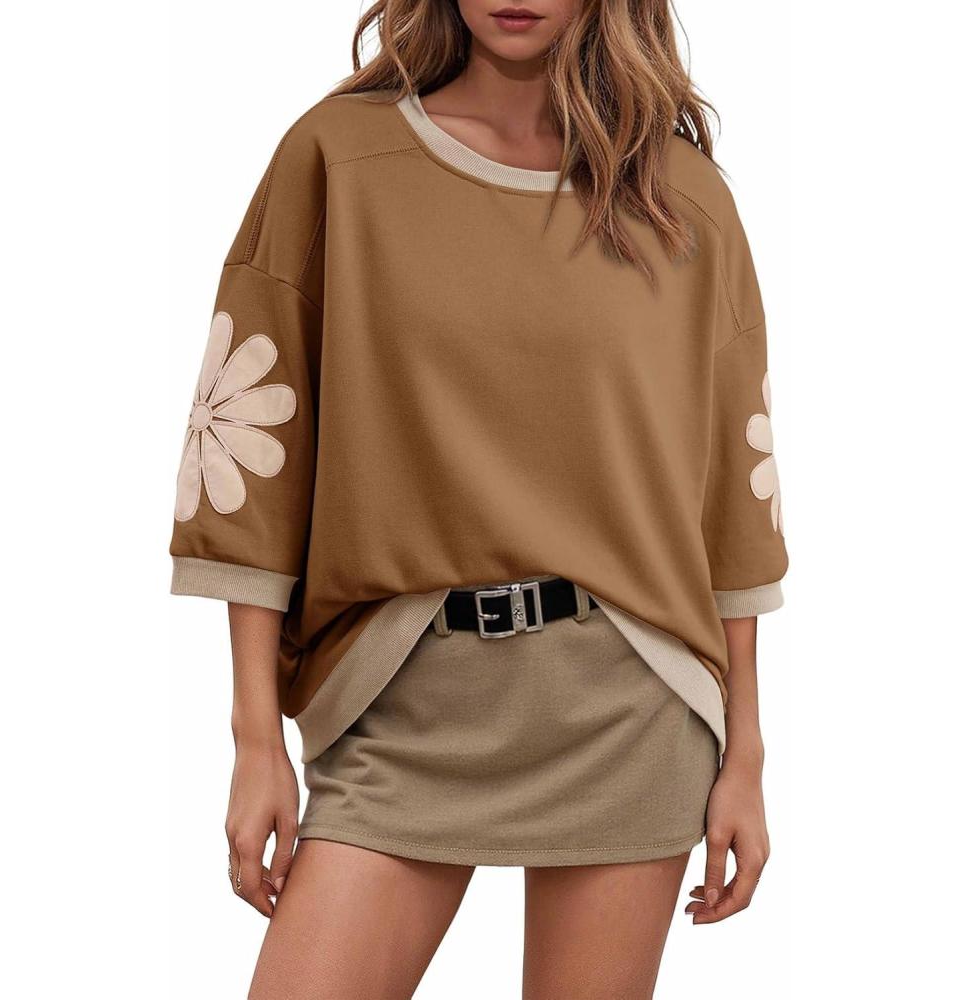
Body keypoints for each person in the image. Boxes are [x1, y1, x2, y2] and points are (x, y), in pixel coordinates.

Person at [169, 2, 788, 996]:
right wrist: (253, 743)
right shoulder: (337, 159)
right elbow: (254, 459)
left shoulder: (681, 197)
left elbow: (733, 504)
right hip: (399, 702)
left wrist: (745, 753)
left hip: (629, 711)